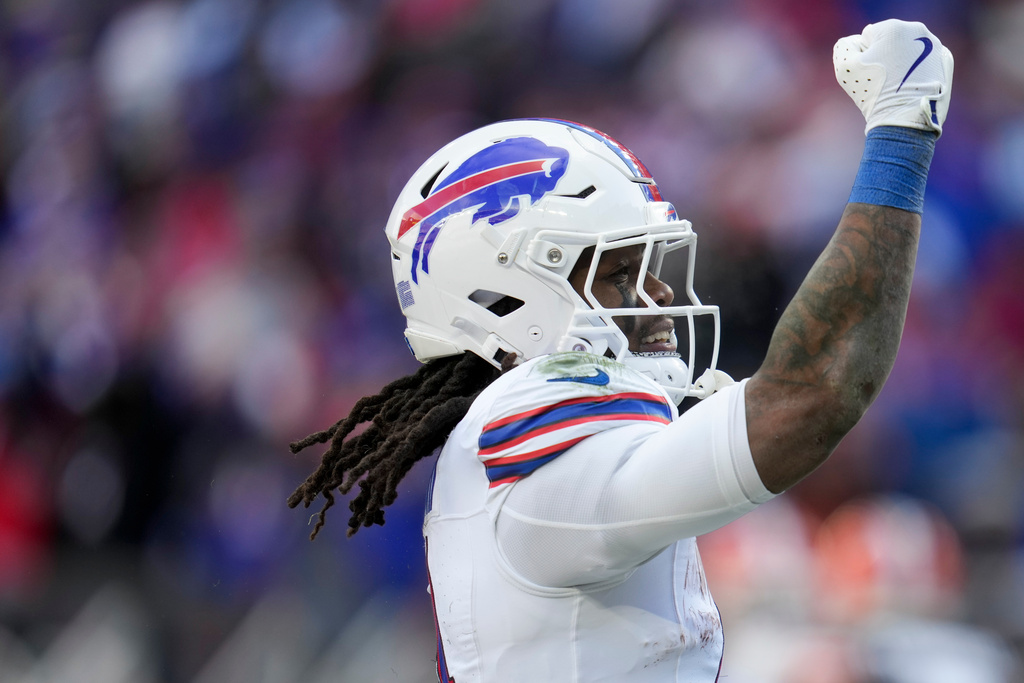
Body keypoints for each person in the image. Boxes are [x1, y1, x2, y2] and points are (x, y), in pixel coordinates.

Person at [287, 18, 954, 682]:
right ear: (505, 298)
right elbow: (813, 391)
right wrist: (899, 138)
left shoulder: (507, 445)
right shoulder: (528, 420)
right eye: (618, 272)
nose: (658, 294)